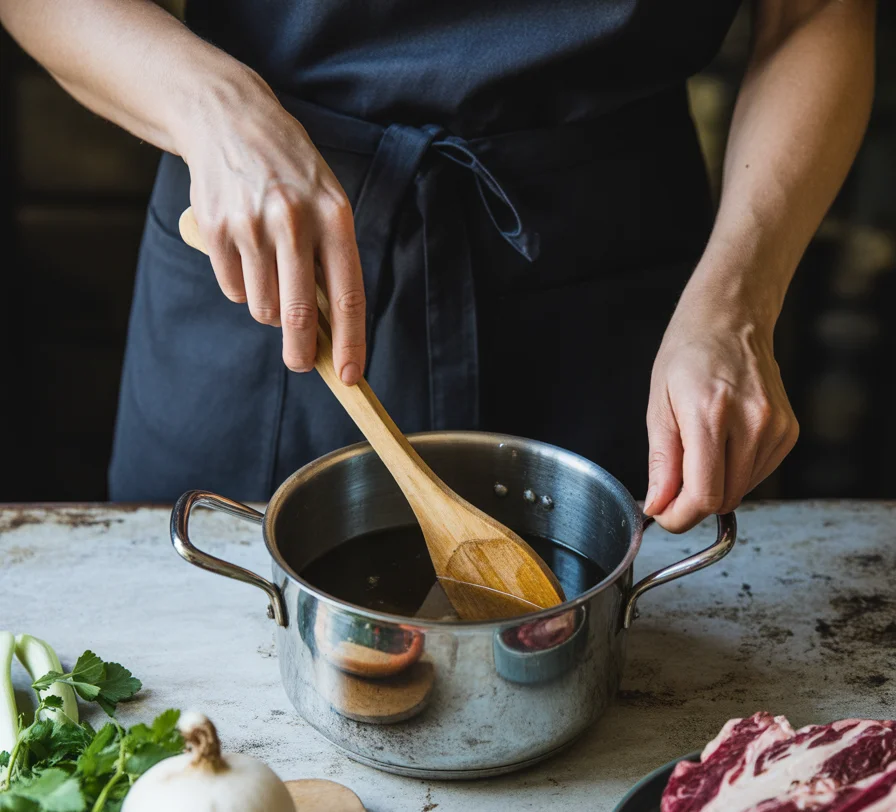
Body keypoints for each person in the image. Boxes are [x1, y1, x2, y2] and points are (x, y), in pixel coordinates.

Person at [1, 1, 875, 530]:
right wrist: (217, 111)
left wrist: (737, 303)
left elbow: (817, 15)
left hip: (622, 287)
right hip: (263, 242)